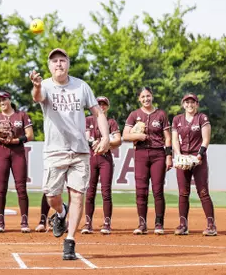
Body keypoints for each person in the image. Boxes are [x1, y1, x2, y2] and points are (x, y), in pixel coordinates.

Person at [30, 48, 110, 260]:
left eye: (62, 60)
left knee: (77, 194)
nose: (58, 64)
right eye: (54, 61)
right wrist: (37, 86)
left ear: (68, 64)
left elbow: (97, 112)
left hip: (79, 151)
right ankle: (60, 212)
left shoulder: (81, 86)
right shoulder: (45, 85)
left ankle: (70, 240)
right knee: (51, 196)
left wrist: (106, 137)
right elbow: (37, 97)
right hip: (54, 150)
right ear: (49, 66)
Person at [122, 87, 173, 235]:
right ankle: (142, 224)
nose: (146, 99)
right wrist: (138, 137)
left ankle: (158, 223)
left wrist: (169, 156)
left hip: (158, 154)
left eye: (148, 96)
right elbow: (125, 135)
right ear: (139, 99)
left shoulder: (161, 114)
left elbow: (168, 137)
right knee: (141, 190)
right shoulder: (134, 115)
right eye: (143, 97)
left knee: (157, 190)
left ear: (152, 96)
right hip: (141, 154)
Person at [0, 90, 34, 233]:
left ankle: (24, 221)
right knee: (1, 189)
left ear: (9, 100)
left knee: (21, 187)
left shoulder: (21, 115)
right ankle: (0, 222)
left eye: (4, 100)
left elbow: (30, 135)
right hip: (2, 152)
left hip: (18, 152)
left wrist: (16, 140)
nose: (1, 103)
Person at [172, 93, 217, 236]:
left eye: (192, 102)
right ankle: (183, 224)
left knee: (203, 191)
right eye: (187, 102)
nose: (189, 105)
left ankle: (211, 225)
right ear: (183, 104)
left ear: (197, 104)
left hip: (198, 159)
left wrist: (199, 155)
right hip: (184, 158)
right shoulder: (177, 119)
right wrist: (178, 155)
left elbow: (206, 139)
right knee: (183, 193)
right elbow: (174, 140)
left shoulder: (202, 118)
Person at [82, 96, 122, 235]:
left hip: (105, 158)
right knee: (90, 191)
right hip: (91, 157)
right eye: (99, 104)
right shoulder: (88, 120)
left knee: (106, 191)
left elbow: (118, 140)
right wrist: (90, 143)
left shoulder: (111, 122)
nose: (101, 106)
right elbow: (83, 136)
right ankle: (88, 223)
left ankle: (107, 223)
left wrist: (106, 143)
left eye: (104, 104)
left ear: (107, 107)